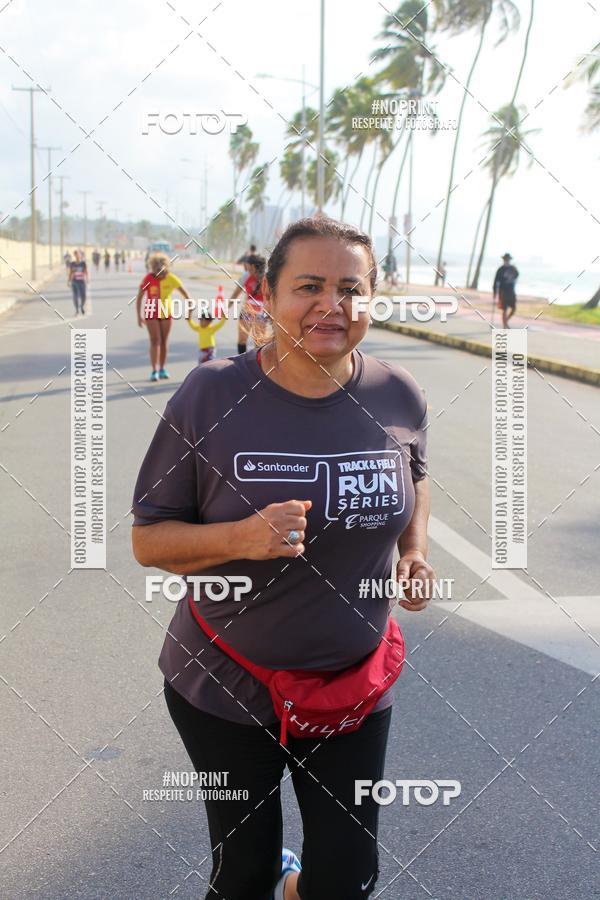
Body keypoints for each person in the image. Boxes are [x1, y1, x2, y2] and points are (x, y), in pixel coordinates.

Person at [132, 216, 435, 899]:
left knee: (348, 877)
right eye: (310, 286)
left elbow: (414, 480)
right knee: (241, 877)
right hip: (223, 688)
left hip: (353, 688)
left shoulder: (398, 393)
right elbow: (149, 538)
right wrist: (239, 538)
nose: (334, 305)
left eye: (351, 289)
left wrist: (413, 551)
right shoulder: (209, 393)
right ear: (266, 296)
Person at [135, 252, 190, 381]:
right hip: (151, 313)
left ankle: (162, 368)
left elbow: (187, 296)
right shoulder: (148, 278)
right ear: (152, 268)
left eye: (162, 272)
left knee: (164, 341)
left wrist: (189, 312)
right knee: (155, 341)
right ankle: (154, 370)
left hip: (166, 313)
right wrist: (138, 316)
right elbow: (139, 297)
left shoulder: (171, 278)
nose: (159, 275)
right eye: (156, 272)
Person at [230, 253, 267, 355]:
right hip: (247, 312)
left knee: (258, 342)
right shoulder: (246, 276)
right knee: (241, 340)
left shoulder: (267, 278)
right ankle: (241, 362)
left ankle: (258, 367)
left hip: (260, 313)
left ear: (254, 266)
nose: (246, 268)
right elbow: (235, 293)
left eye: (248, 266)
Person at [493, 253, 519, 327]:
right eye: (505, 259)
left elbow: (517, 275)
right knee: (505, 309)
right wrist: (495, 292)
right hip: (503, 292)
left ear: (509, 260)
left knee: (513, 308)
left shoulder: (512, 268)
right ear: (503, 260)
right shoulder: (500, 269)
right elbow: (495, 281)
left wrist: (516, 269)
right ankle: (505, 325)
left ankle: (506, 320)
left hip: (511, 291)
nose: (506, 260)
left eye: (508, 259)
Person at [67, 249, 88, 316]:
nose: (77, 255)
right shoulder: (72, 264)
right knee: (75, 296)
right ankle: (76, 310)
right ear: (75, 255)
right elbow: (70, 273)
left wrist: (87, 279)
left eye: (78, 254)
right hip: (74, 282)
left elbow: (86, 271)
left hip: (82, 282)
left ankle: (81, 306)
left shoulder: (83, 263)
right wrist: (68, 281)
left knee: (83, 296)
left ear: (80, 255)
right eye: (76, 254)